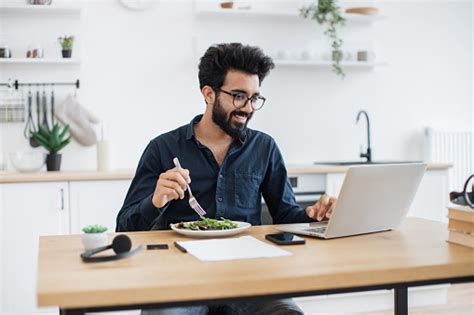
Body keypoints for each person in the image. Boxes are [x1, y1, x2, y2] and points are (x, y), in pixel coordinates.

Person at [117, 43, 337, 315]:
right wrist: (155, 200)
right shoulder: (163, 148)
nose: (248, 108)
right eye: (238, 96)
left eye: (254, 98)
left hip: (249, 277)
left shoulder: (264, 147)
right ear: (209, 94)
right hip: (180, 278)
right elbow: (124, 227)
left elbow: (285, 215)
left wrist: (314, 216)